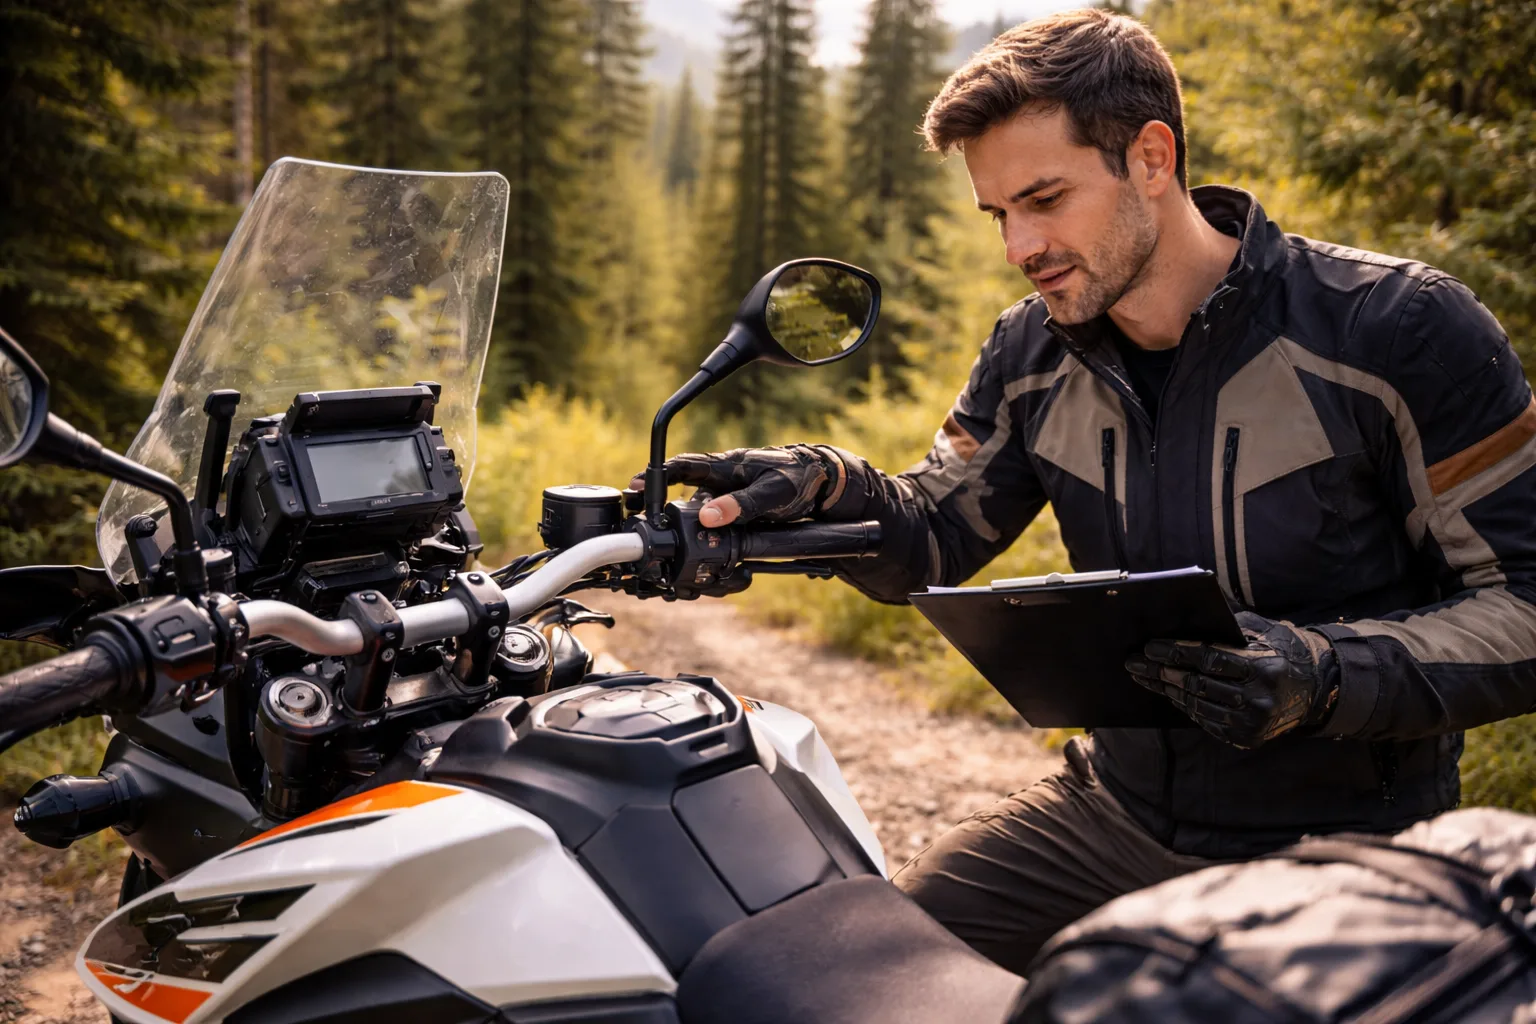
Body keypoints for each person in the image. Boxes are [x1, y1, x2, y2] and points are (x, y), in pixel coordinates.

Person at [647, 9, 1536, 973]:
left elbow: (1526, 601)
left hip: (1345, 841)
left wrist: (1319, 675)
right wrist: (825, 485)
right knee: (858, 972)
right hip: (1110, 814)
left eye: (1045, 198)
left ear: (1151, 157)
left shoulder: (1398, 331)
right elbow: (939, 531)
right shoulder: (1030, 349)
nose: (1020, 246)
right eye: (998, 213)